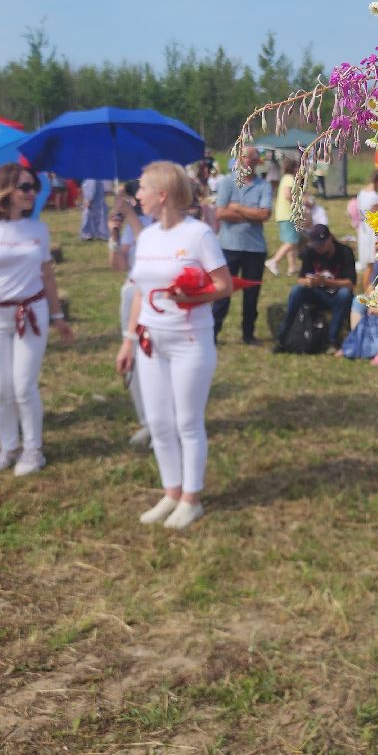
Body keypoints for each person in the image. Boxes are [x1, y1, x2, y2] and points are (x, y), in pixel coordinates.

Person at [115, 161, 232, 530]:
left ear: (161, 195)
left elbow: (224, 285)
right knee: (160, 421)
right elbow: (139, 292)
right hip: (151, 342)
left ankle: (191, 498)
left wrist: (191, 299)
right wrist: (128, 341)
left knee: (186, 421)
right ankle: (171, 491)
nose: (137, 196)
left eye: (143, 190)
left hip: (189, 342)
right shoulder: (146, 236)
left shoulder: (198, 235)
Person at [0, 164, 72, 477]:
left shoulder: (37, 229)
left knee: (23, 386)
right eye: (25, 187)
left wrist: (58, 316)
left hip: (30, 312)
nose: (31, 193)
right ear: (4, 189)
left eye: (33, 187)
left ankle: (33, 450)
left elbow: (47, 274)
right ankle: (8, 447)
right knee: (0, 389)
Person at [108, 180, 153, 447]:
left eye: (138, 193)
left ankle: (164, 420)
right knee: (133, 356)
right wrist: (114, 236)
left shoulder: (163, 223)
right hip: (133, 292)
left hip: (159, 296)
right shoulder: (133, 225)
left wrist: (132, 215)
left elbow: (148, 246)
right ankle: (146, 420)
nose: (137, 197)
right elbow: (119, 265)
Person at [212, 145, 272, 345]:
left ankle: (248, 334)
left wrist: (236, 207)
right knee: (222, 291)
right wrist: (251, 214)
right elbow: (220, 213)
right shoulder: (227, 183)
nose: (246, 161)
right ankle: (213, 333)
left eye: (250, 158)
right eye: (243, 158)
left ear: (256, 162)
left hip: (254, 249)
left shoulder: (264, 186)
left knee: (251, 294)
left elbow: (264, 215)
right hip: (228, 246)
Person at [276, 224, 356, 351]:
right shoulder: (310, 252)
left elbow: (350, 283)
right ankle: (282, 336)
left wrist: (325, 282)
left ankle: (332, 340)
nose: (318, 248)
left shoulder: (345, 252)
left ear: (330, 239)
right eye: (316, 245)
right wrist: (309, 282)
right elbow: (300, 279)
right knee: (297, 290)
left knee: (345, 293)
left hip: (336, 296)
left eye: (321, 245)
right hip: (317, 293)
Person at [353, 168, 378, 292]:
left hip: (363, 230)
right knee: (371, 264)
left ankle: (366, 289)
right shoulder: (374, 198)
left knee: (368, 263)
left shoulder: (362, 192)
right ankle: (368, 290)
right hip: (372, 232)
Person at [265, 155, 302, 277]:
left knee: (290, 241)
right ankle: (273, 261)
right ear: (294, 168)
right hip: (288, 214)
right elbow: (287, 195)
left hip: (283, 215)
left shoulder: (285, 178)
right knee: (292, 241)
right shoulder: (290, 179)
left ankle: (292, 267)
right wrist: (298, 202)